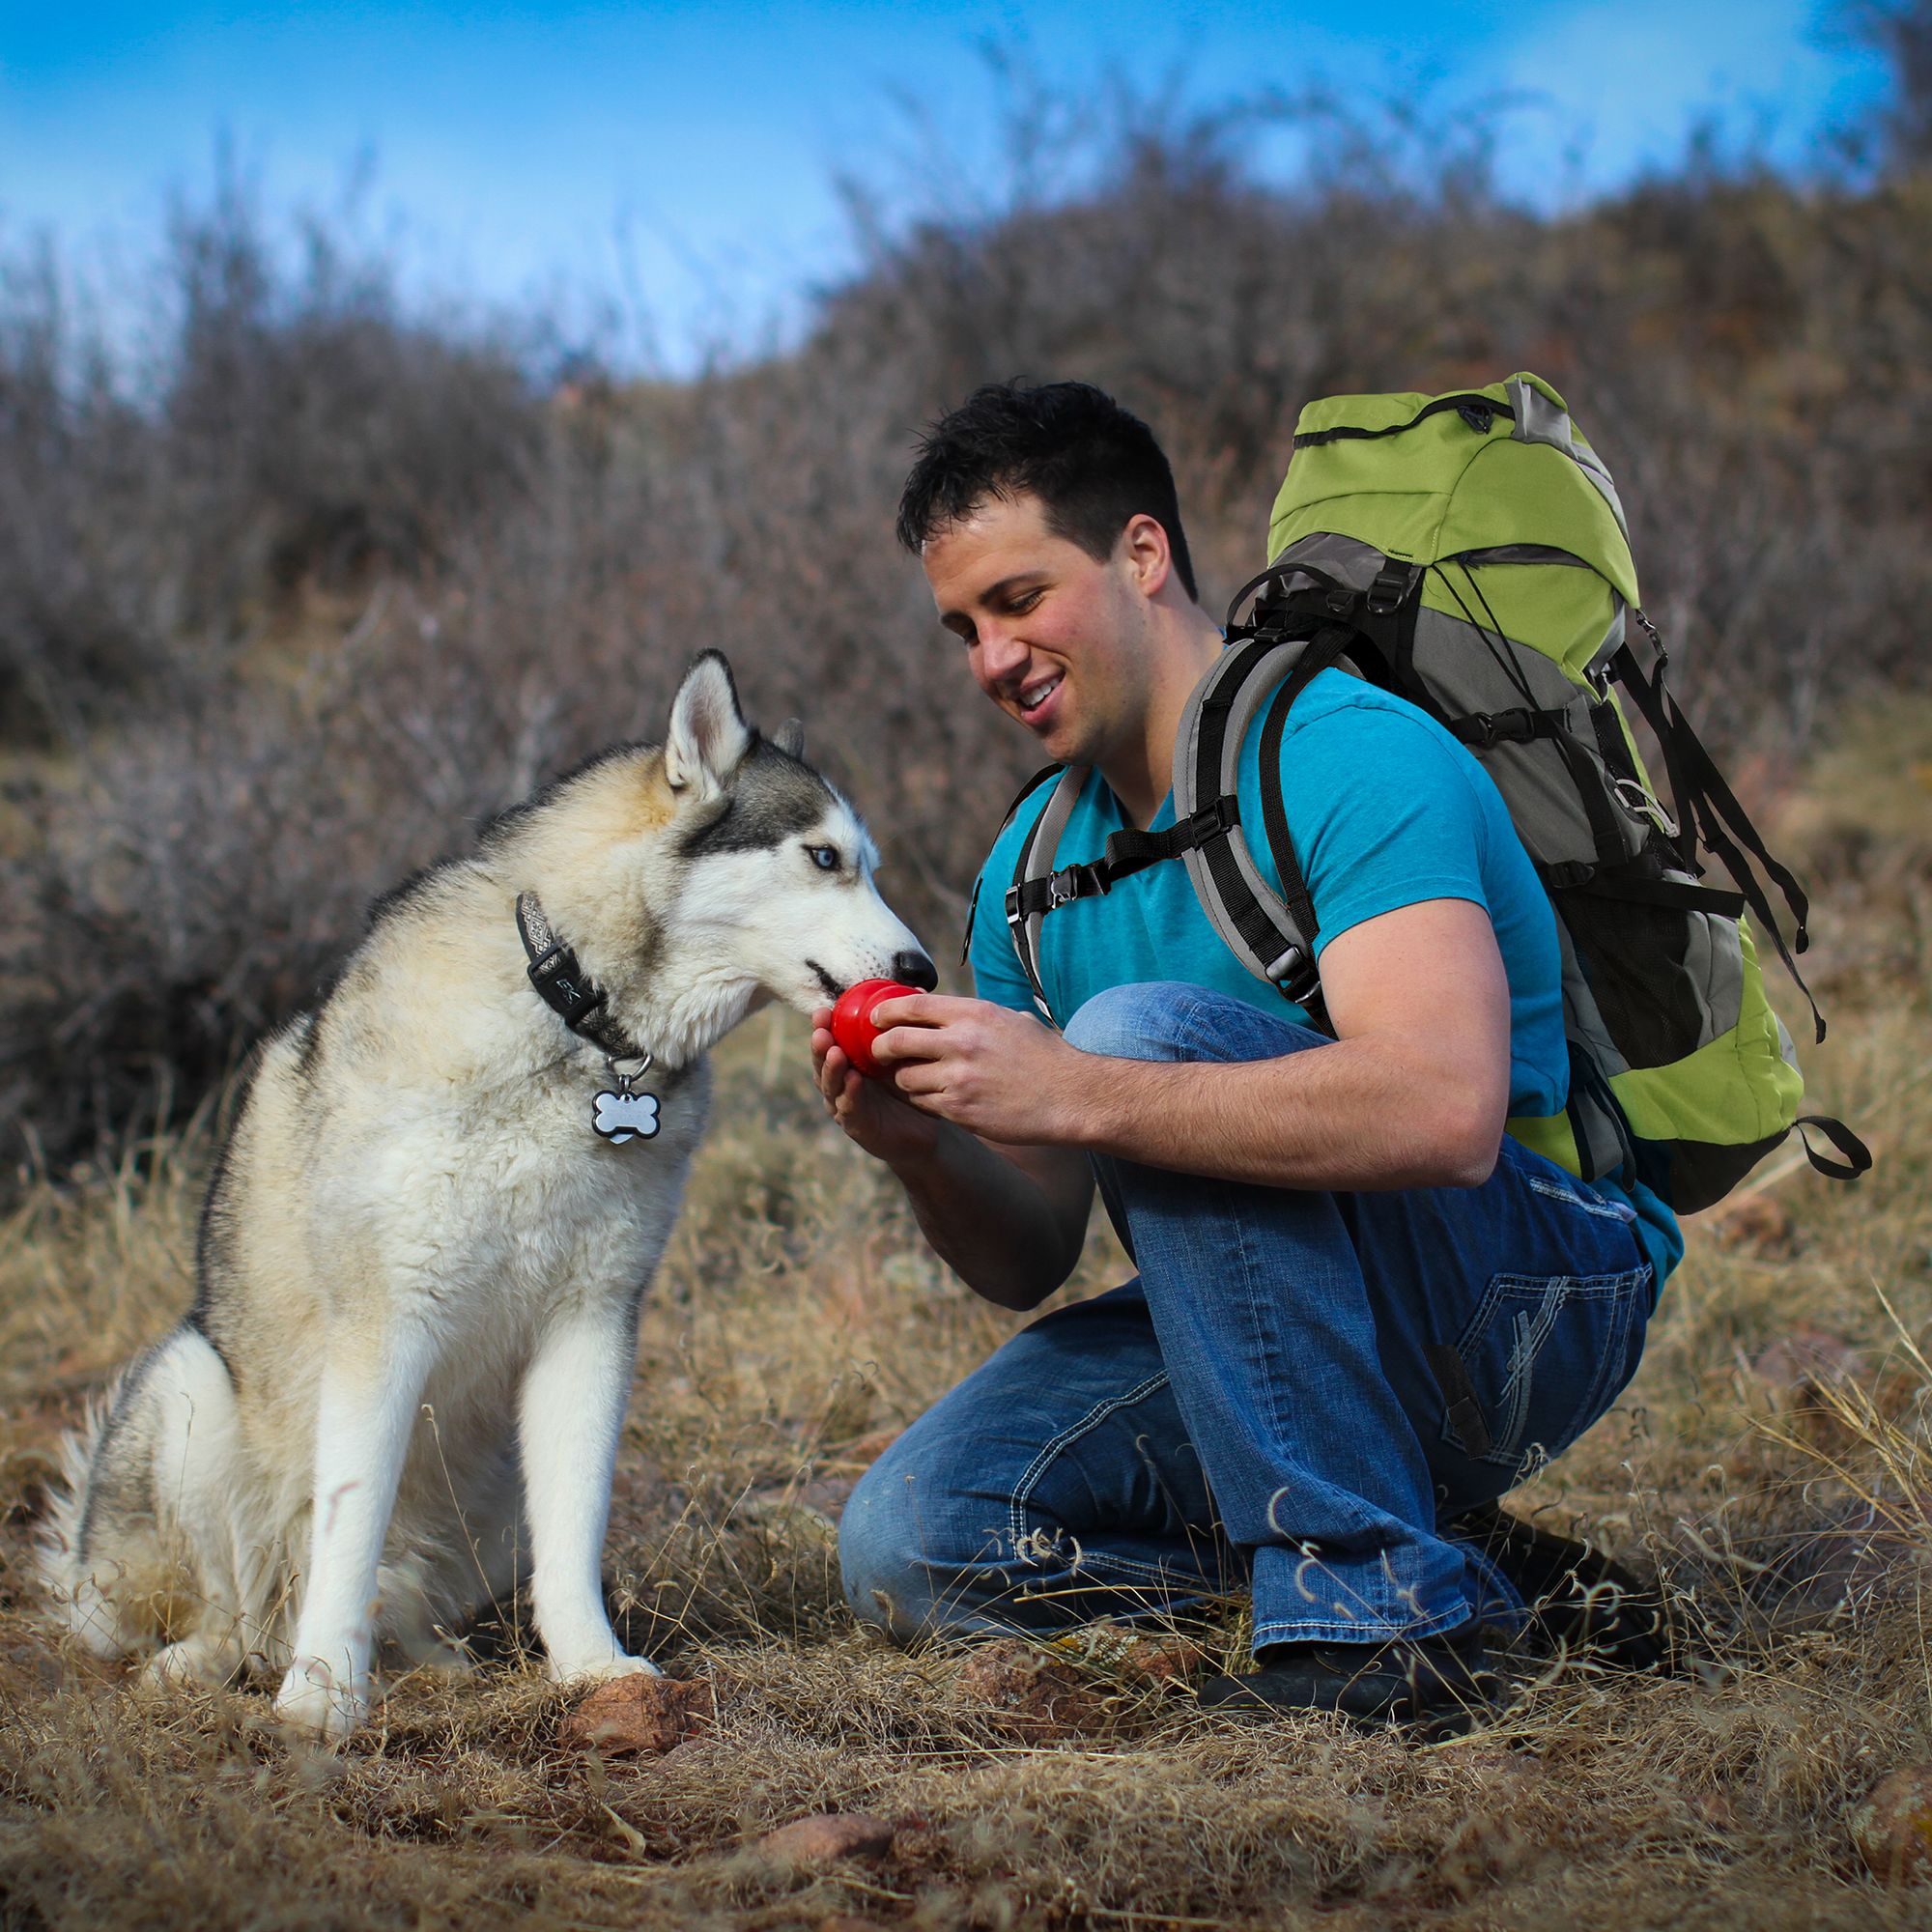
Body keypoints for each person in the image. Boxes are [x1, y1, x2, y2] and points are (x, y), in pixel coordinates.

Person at [812, 380, 1679, 1733]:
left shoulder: (1346, 753)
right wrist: (924, 1148)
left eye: (1023, 598)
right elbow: (1031, 1256)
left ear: (1143, 555)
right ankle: (1459, 1579)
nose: (992, 657)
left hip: (1533, 1287)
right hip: (1291, 1332)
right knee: (920, 1536)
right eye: (964, 627)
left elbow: (1449, 1114)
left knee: (1137, 1034)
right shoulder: (1028, 877)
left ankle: (1378, 1624)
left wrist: (1084, 1084)